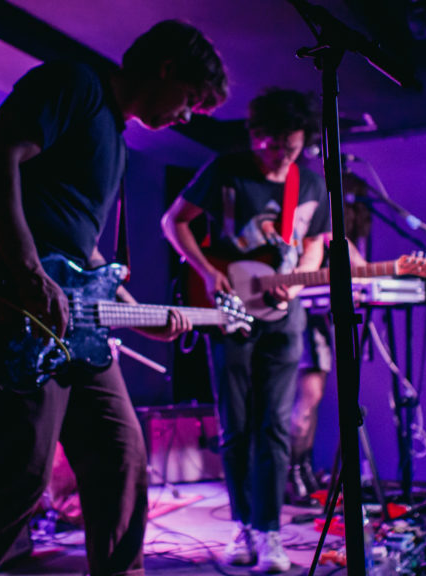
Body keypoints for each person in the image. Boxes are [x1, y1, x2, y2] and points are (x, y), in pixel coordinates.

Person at [0, 19, 228, 576]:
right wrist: (28, 271)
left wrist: (139, 315)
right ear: (166, 68)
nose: (187, 116)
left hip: (69, 323)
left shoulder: (116, 141)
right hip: (10, 297)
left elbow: (85, 255)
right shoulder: (76, 85)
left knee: (120, 455)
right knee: (22, 471)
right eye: (191, 100)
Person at [161, 88, 330, 572]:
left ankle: (269, 531)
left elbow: (314, 245)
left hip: (285, 318)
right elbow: (174, 222)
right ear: (256, 136)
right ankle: (242, 526)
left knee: (274, 425)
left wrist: (297, 283)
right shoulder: (226, 170)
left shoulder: (309, 183)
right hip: (229, 309)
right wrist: (205, 270)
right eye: (275, 147)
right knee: (235, 425)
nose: (283, 158)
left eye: (292, 148)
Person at [288, 171, 373, 505]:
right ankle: (294, 473)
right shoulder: (317, 228)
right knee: (307, 398)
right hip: (301, 319)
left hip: (318, 321)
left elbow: (359, 267)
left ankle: (304, 470)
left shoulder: (335, 235)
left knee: (313, 398)